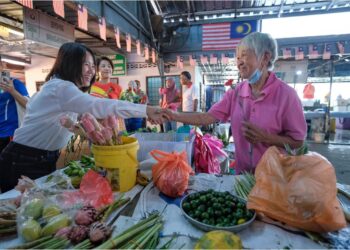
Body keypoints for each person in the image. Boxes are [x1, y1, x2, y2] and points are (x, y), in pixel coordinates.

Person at [0, 42, 167, 192]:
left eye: (92, 65)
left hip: (39, 158)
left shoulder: (59, 88)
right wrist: (147, 110)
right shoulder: (61, 88)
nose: (91, 70)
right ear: (70, 64)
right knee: (23, 215)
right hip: (23, 160)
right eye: (85, 64)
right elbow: (98, 106)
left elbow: (90, 114)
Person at [165, 32, 307, 174]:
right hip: (243, 176)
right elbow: (206, 117)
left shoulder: (286, 95)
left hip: (275, 177)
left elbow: (297, 141)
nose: (239, 62)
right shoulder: (236, 92)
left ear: (265, 57)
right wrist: (172, 115)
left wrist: (266, 138)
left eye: (244, 55)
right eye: (238, 57)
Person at [0, 65, 29, 154]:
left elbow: (29, 105)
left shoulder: (15, 83)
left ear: (1, 65)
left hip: (8, 133)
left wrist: (12, 91)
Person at [90, 56, 125, 131]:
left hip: (114, 127)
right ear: (97, 70)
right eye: (103, 66)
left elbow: (120, 110)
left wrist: (122, 130)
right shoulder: (91, 87)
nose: (107, 68)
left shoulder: (118, 88)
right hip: (96, 126)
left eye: (109, 66)